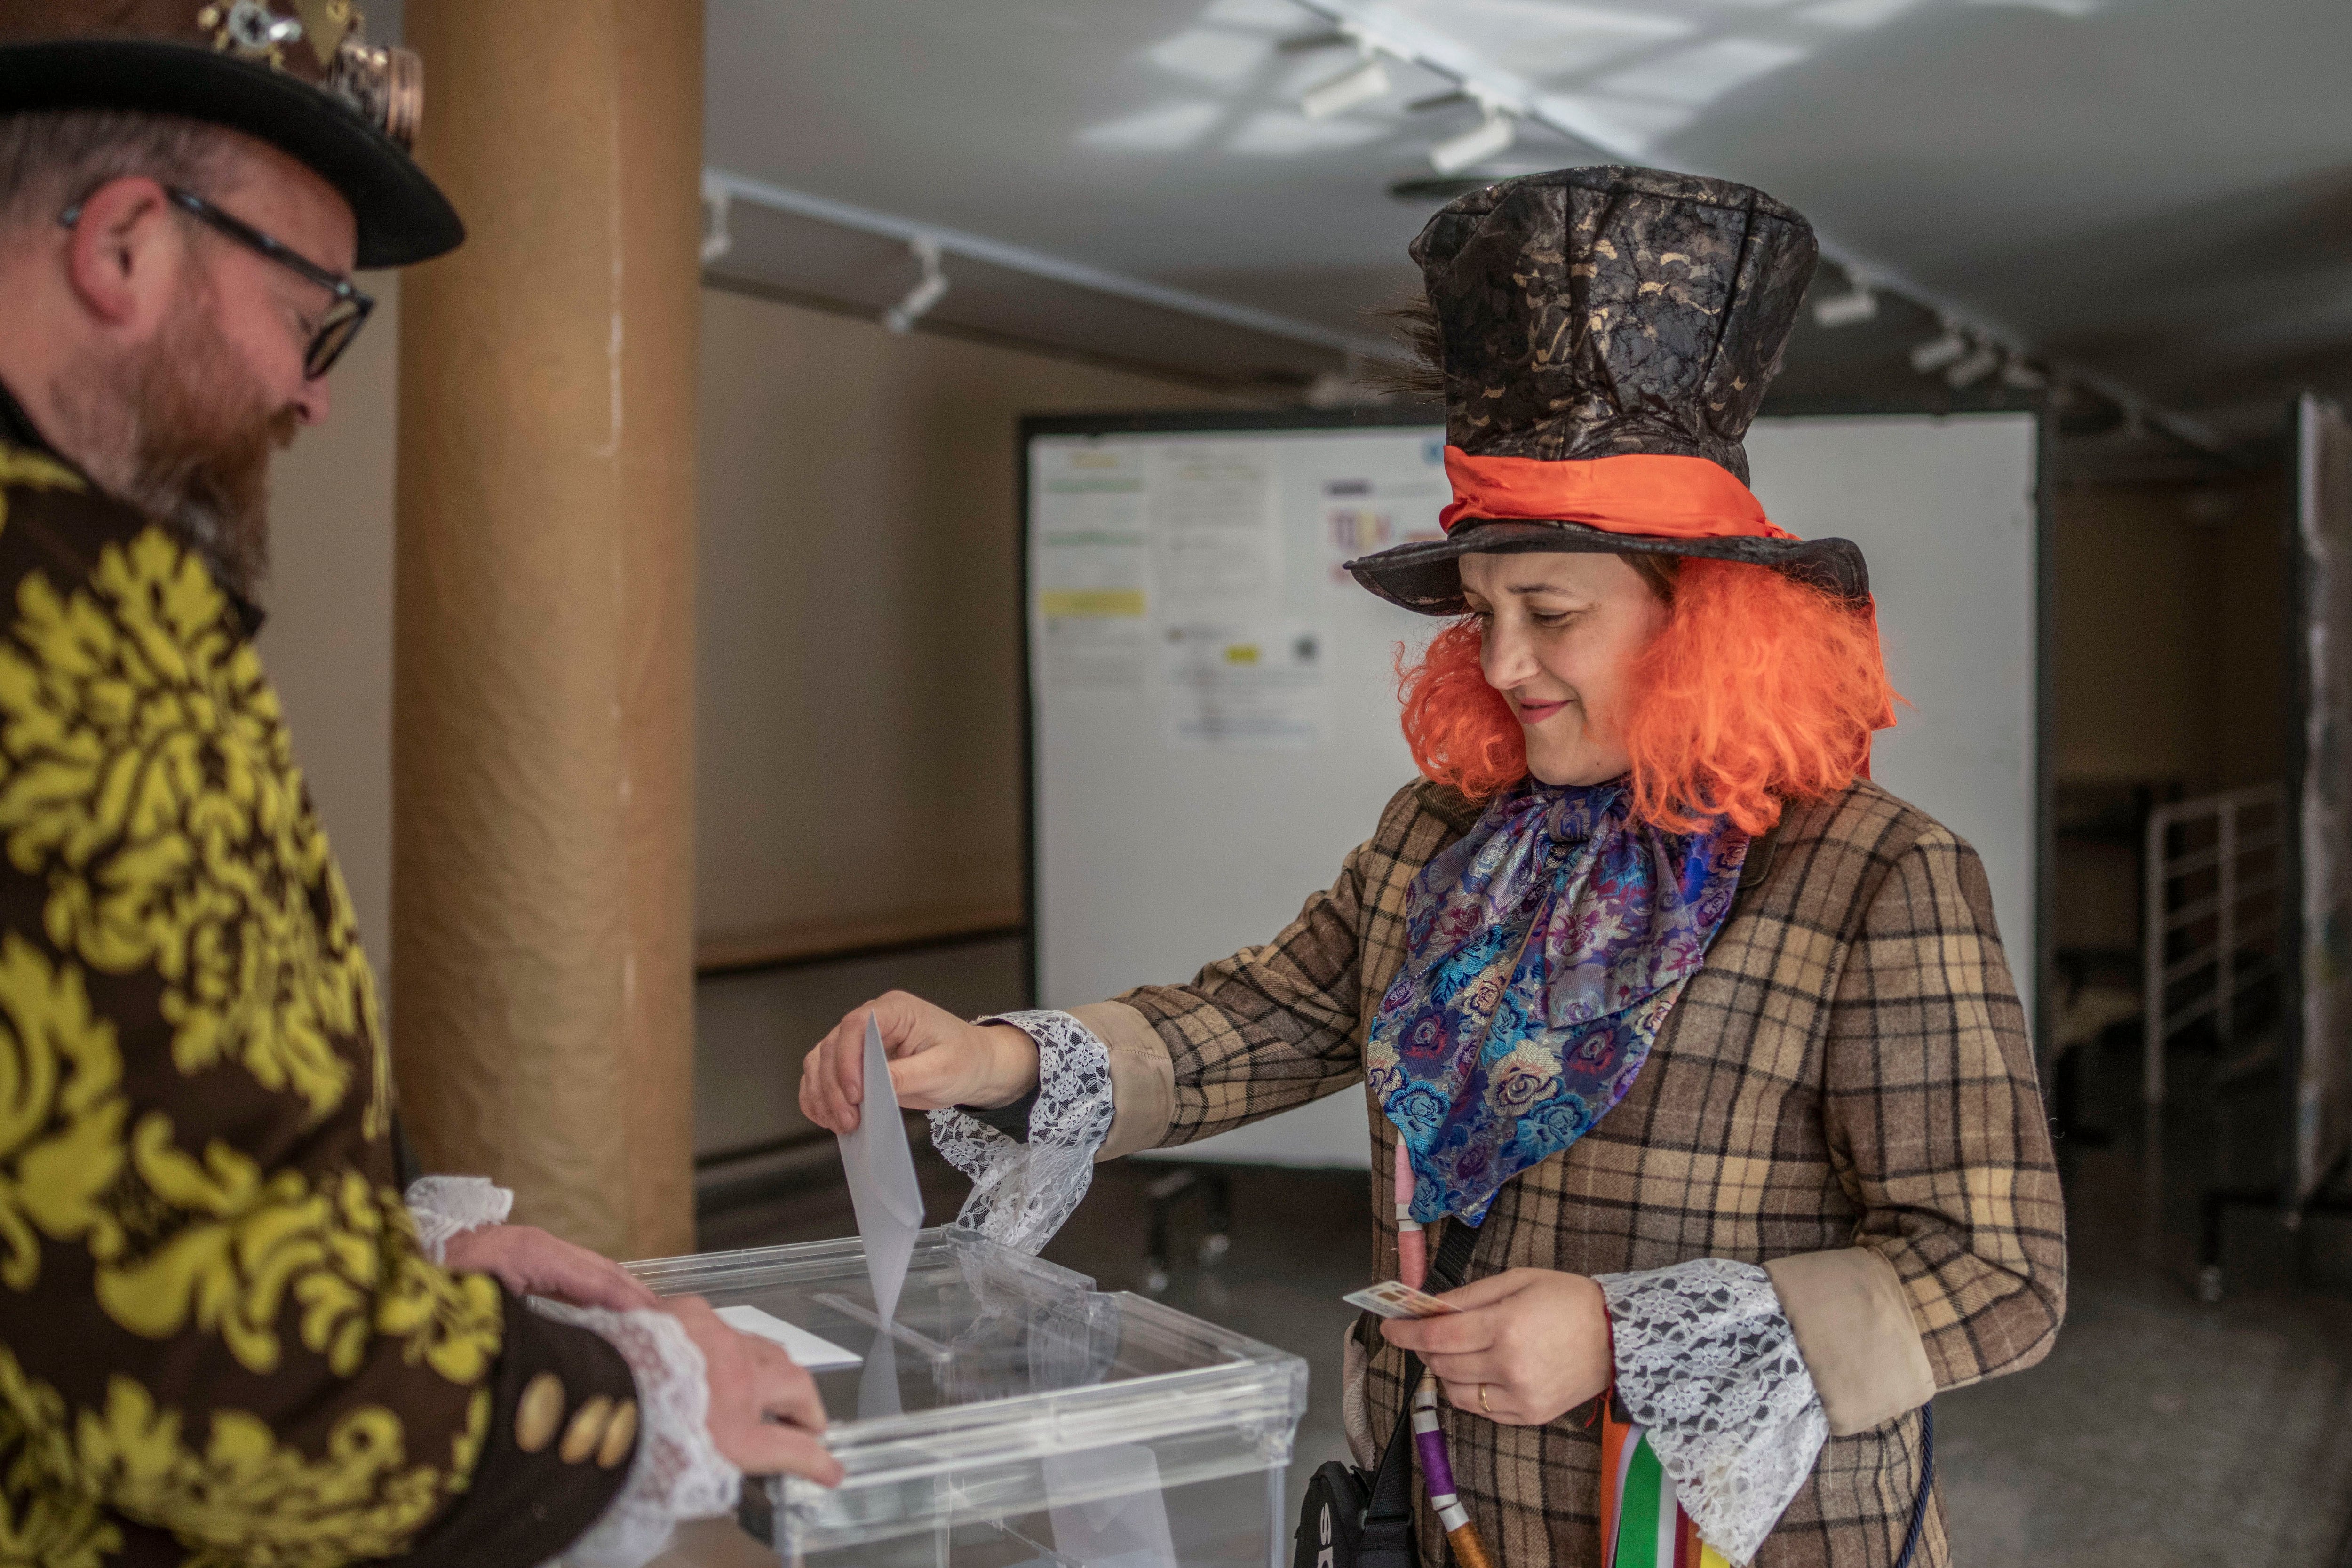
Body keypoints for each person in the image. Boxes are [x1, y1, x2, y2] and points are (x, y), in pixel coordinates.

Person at [802, 167, 2066, 1568]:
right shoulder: (1446, 836)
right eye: (1480, 616)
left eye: (1553, 614)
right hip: (1443, 1514)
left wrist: (1618, 1331)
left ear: (1704, 624)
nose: (1505, 664)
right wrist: (992, 1061)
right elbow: (1272, 1016)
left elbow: (1996, 1274)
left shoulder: (1877, 876)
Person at [0, 5, 837, 1564]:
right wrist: (646, 1403)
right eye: (312, 315)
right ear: (122, 248)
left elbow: (78, 1187)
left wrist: (383, 1250)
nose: (313, 398)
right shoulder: (77, 621)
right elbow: (219, 1372)